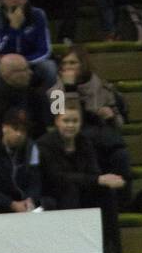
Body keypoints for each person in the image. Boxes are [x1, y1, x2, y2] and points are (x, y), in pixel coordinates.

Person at [37, 99, 125, 253]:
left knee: (106, 192)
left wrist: (104, 180)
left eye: (75, 121)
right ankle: (74, 251)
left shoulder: (84, 142)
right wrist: (97, 179)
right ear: (57, 122)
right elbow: (57, 177)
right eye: (66, 121)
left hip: (81, 189)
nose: (70, 125)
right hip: (54, 193)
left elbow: (93, 172)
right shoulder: (45, 145)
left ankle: (112, 252)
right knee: (71, 189)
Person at [49, 45, 133, 197]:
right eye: (65, 64)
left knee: (120, 155)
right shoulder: (56, 91)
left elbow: (120, 122)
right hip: (73, 142)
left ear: (83, 63)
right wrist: (69, 88)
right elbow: (62, 117)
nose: (68, 67)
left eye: (73, 63)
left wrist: (111, 116)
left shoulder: (100, 86)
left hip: (102, 138)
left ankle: (124, 201)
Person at [0, 0, 56, 87]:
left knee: (50, 67)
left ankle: (47, 102)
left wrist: (23, 63)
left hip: (32, 61)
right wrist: (14, 27)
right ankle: (5, 104)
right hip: (3, 63)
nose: (15, 0)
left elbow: (45, 50)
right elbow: (0, 48)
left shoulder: (38, 14)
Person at [0, 52, 53, 138]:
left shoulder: (35, 94)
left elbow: (41, 129)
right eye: (25, 70)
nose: (30, 73)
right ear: (9, 74)